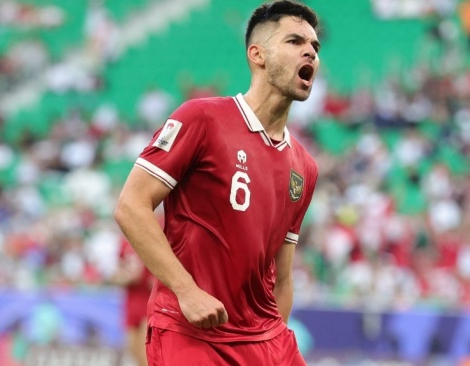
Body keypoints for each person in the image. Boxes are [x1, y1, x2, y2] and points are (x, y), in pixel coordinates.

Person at [113, 1, 321, 365]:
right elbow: (131, 206)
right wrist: (187, 292)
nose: (310, 52)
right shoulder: (202, 119)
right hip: (192, 333)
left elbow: (282, 279)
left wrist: (271, 341)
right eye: (294, 41)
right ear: (257, 54)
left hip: (264, 340)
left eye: (315, 47)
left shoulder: (304, 167)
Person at [110, 237, 154, 366]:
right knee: (132, 350)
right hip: (131, 301)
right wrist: (122, 277)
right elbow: (119, 271)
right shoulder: (124, 243)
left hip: (147, 300)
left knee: (145, 350)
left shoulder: (152, 238)